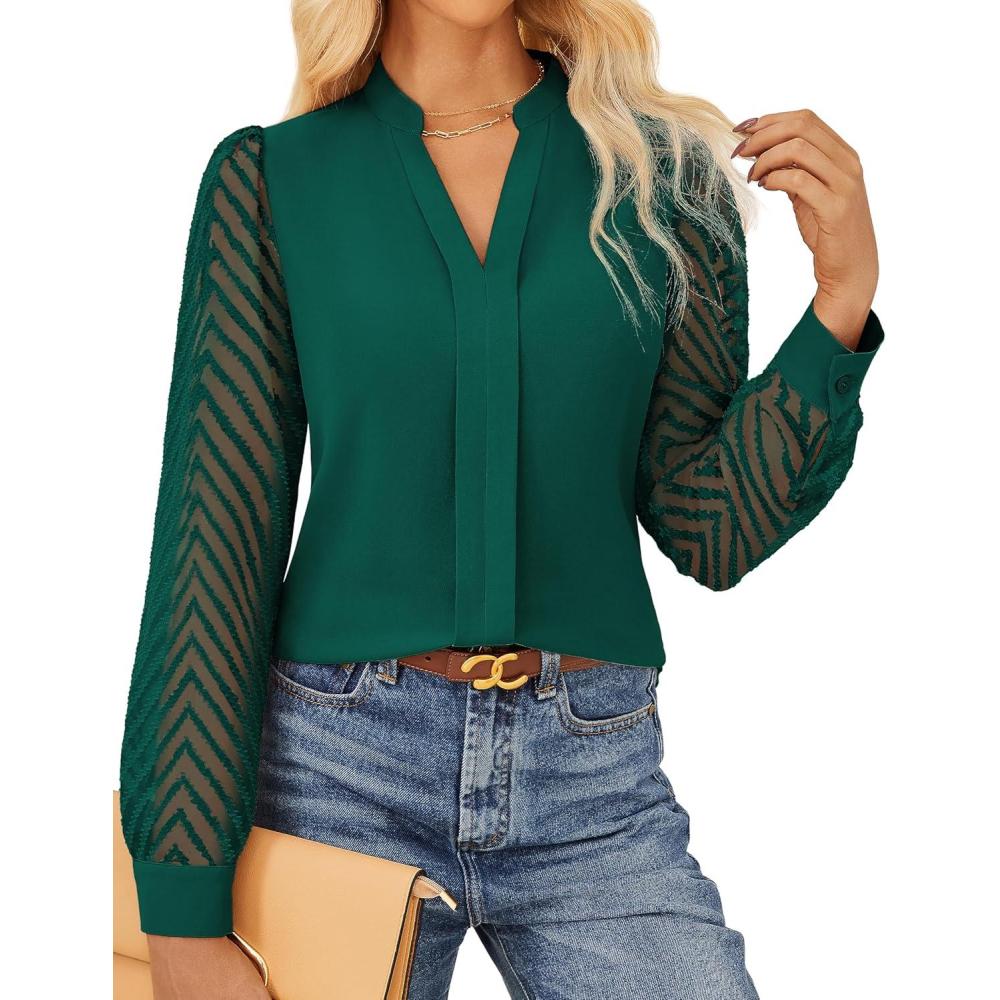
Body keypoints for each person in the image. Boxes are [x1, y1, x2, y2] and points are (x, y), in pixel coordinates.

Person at [118, 0, 884, 996]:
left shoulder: (663, 179)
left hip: (594, 785)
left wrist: (840, 300)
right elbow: (213, 545)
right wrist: (181, 915)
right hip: (333, 776)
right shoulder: (273, 179)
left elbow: (712, 527)